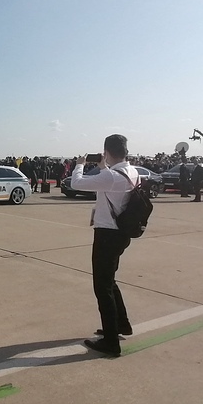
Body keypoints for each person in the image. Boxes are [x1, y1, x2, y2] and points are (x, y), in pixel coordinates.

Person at [70, 134, 138, 357]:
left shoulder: (110, 176)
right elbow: (111, 185)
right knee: (110, 281)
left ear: (106, 152)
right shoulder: (131, 171)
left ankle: (110, 341)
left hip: (107, 234)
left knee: (102, 287)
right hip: (121, 233)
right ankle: (121, 324)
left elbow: (76, 183)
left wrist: (79, 165)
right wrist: (103, 166)